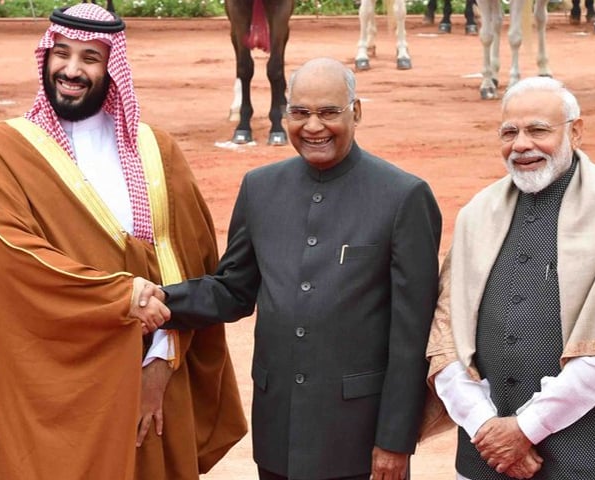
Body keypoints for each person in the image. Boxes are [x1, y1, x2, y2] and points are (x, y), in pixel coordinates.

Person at [0, 4, 246, 479]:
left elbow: (191, 272)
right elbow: (13, 262)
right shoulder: (1, 150)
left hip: (151, 383)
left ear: (112, 68)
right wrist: (120, 297)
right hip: (55, 384)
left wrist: (160, 362)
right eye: (62, 54)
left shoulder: (159, 153)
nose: (71, 70)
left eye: (90, 58)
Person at [152, 57, 442, 479]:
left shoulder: (403, 196)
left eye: (329, 112)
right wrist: (159, 300)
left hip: (358, 439)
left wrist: (395, 441)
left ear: (356, 112)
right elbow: (233, 289)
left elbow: (412, 335)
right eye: (300, 112)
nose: (313, 127)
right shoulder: (260, 188)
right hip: (278, 430)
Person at [420, 76, 595, 479]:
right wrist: (484, 426)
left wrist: (526, 429)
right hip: (487, 459)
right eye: (509, 132)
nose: (521, 145)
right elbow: (444, 340)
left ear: (576, 131)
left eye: (538, 130)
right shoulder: (476, 215)